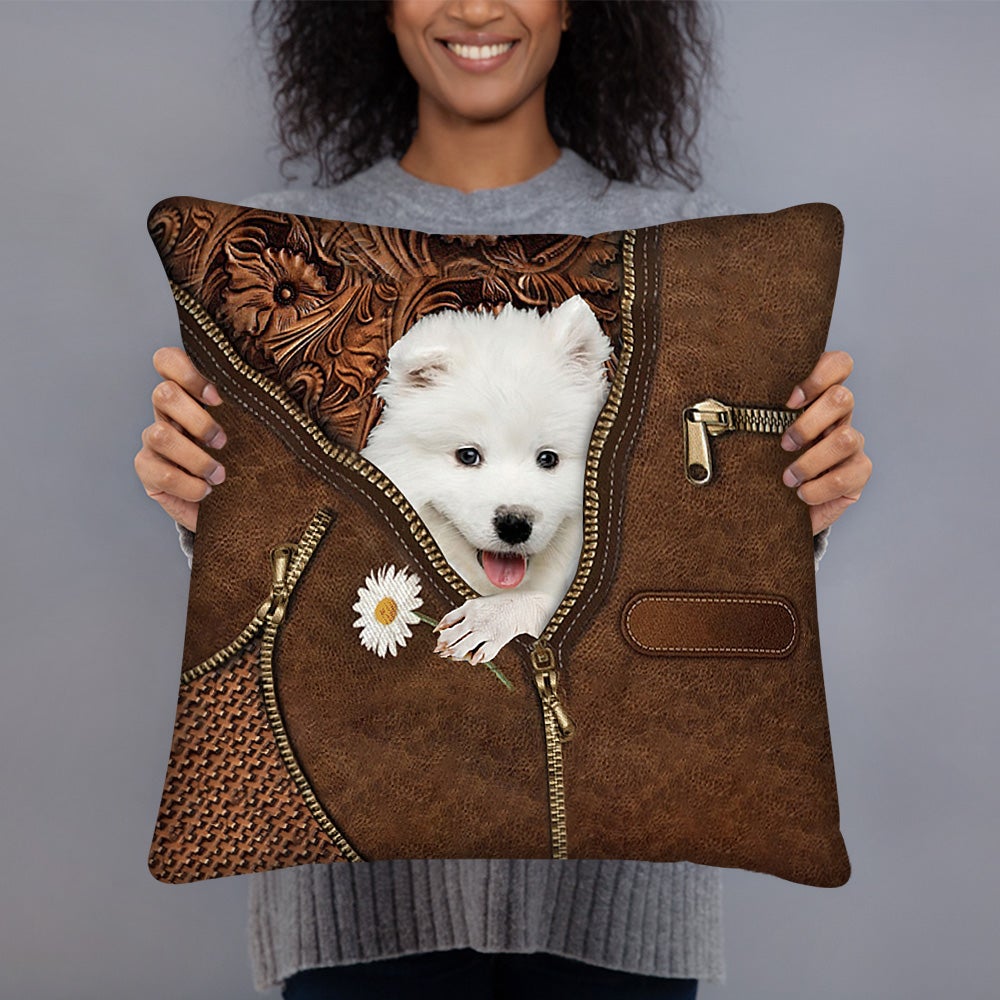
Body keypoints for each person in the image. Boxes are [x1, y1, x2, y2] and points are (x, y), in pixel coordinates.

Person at [134, 2, 872, 997]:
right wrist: (205, 506)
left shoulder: (687, 252)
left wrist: (790, 508)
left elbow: (689, 550)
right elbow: (287, 572)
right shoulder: (278, 259)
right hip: (353, 901)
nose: (477, 5)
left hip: (620, 900)